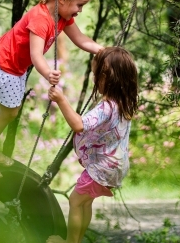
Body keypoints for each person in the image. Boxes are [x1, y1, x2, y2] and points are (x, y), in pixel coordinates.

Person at [0, 0, 104, 178]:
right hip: (5, 65)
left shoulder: (62, 16)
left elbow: (80, 39)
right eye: (80, 5)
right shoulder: (40, 19)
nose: (80, 10)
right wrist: (48, 73)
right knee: (9, 112)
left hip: (15, 68)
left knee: (8, 111)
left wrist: (104, 51)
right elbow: (36, 55)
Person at [46, 47, 139, 243]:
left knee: (75, 201)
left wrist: (61, 99)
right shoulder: (125, 102)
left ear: (107, 78)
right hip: (116, 166)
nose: (95, 80)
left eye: (97, 75)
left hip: (102, 168)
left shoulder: (107, 107)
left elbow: (79, 125)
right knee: (85, 203)